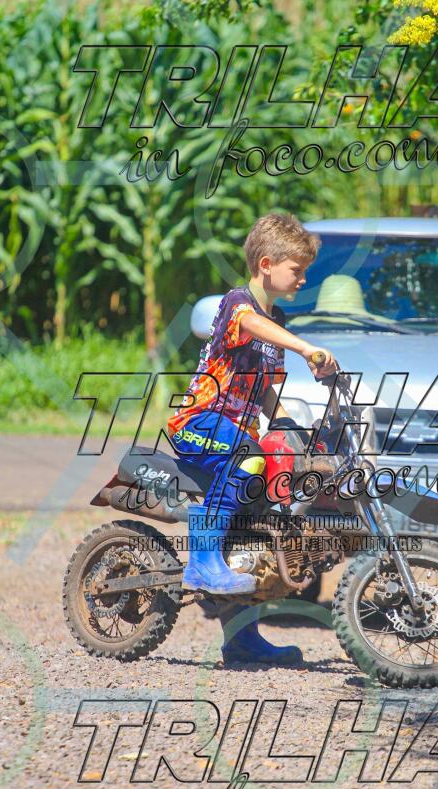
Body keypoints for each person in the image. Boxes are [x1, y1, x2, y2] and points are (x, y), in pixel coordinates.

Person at [167, 213, 336, 666]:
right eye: (296, 269)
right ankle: (202, 562)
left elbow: (263, 390)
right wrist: (305, 348)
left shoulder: (275, 317)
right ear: (266, 264)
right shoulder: (237, 304)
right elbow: (252, 325)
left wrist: (290, 426)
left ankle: (241, 638)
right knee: (247, 458)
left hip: (237, 430)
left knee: (255, 519)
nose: (303, 278)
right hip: (200, 422)